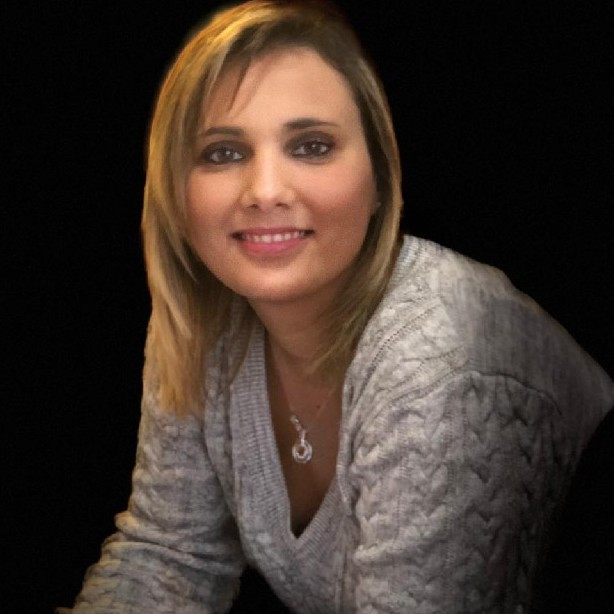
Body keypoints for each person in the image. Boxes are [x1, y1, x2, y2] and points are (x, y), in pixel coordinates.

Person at [58, 1, 614, 612]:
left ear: (380, 179)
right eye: (222, 153)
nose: (265, 191)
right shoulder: (203, 321)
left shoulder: (438, 360)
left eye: (312, 146)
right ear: (175, 190)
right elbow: (170, 555)